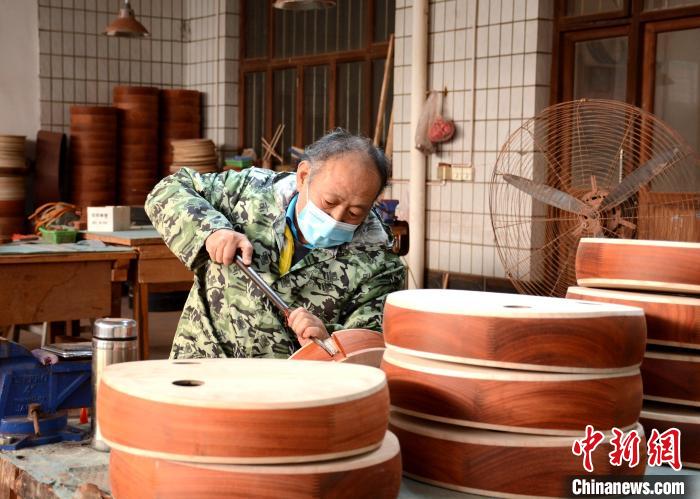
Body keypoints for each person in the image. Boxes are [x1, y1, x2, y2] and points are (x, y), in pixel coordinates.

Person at [145, 129, 406, 358]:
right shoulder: (249, 191)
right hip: (200, 363)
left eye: (355, 212)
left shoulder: (380, 263)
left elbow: (369, 349)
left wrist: (329, 338)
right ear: (304, 176)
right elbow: (168, 190)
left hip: (287, 394)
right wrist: (211, 230)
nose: (337, 218)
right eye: (329, 202)